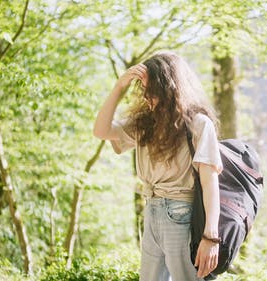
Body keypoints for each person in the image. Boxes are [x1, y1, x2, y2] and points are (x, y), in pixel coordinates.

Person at [93, 51, 223, 281]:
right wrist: (119, 86)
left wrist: (210, 237)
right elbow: (101, 131)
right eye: (143, 90)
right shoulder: (146, 124)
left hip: (180, 211)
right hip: (151, 209)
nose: (145, 97)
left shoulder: (198, 124)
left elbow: (210, 180)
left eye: (150, 89)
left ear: (168, 86)